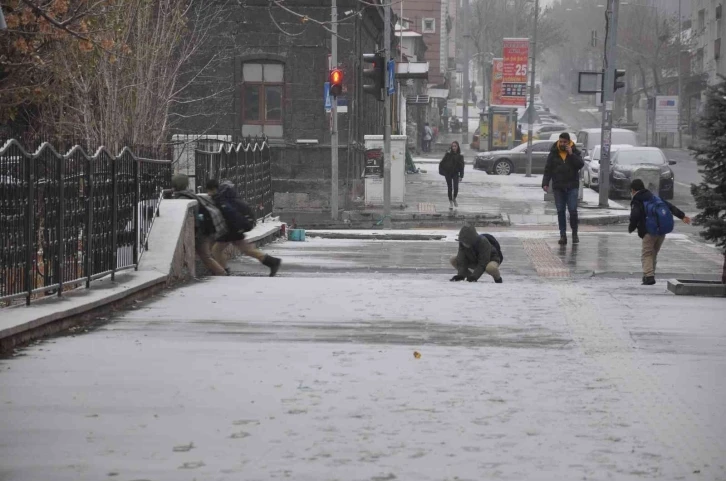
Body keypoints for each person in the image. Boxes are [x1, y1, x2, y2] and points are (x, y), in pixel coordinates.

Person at [206, 179, 282, 277]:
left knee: (217, 250)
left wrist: (237, 229)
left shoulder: (221, 199)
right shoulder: (223, 196)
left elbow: (232, 214)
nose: (208, 194)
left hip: (232, 229)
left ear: (214, 189)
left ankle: (223, 271)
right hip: (234, 228)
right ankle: (272, 262)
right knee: (246, 250)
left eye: (209, 191)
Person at [628, 179, 691, 285]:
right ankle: (650, 275)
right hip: (661, 231)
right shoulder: (654, 197)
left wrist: (631, 227)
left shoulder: (637, 200)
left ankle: (649, 276)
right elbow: (670, 206)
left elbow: (635, 215)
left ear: (633, 190)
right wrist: (682, 216)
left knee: (647, 253)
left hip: (649, 231)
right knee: (653, 253)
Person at [170, 173, 228, 276]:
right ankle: (221, 270)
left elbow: (195, 219)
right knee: (209, 253)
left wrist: (196, 234)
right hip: (205, 230)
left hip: (201, 232)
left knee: (206, 256)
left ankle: (222, 273)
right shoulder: (190, 194)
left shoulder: (184, 199)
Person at [542, 132, 584, 245]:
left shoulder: (574, 151)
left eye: (564, 142)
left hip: (572, 186)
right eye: (560, 142)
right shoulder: (554, 152)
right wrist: (545, 183)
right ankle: (563, 235)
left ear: (569, 142)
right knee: (560, 211)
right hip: (558, 186)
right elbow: (548, 168)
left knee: (572, 210)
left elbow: (580, 164)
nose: (562, 144)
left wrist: (572, 154)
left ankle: (574, 234)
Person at [438, 141, 465, 209]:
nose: (454, 147)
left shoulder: (460, 156)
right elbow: (442, 163)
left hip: (455, 173)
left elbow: (462, 167)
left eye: (455, 146)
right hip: (448, 173)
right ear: (451, 147)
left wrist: (461, 176)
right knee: (450, 188)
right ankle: (450, 202)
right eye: (453, 146)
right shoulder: (448, 154)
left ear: (457, 147)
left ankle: (454, 198)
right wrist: (443, 172)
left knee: (456, 188)